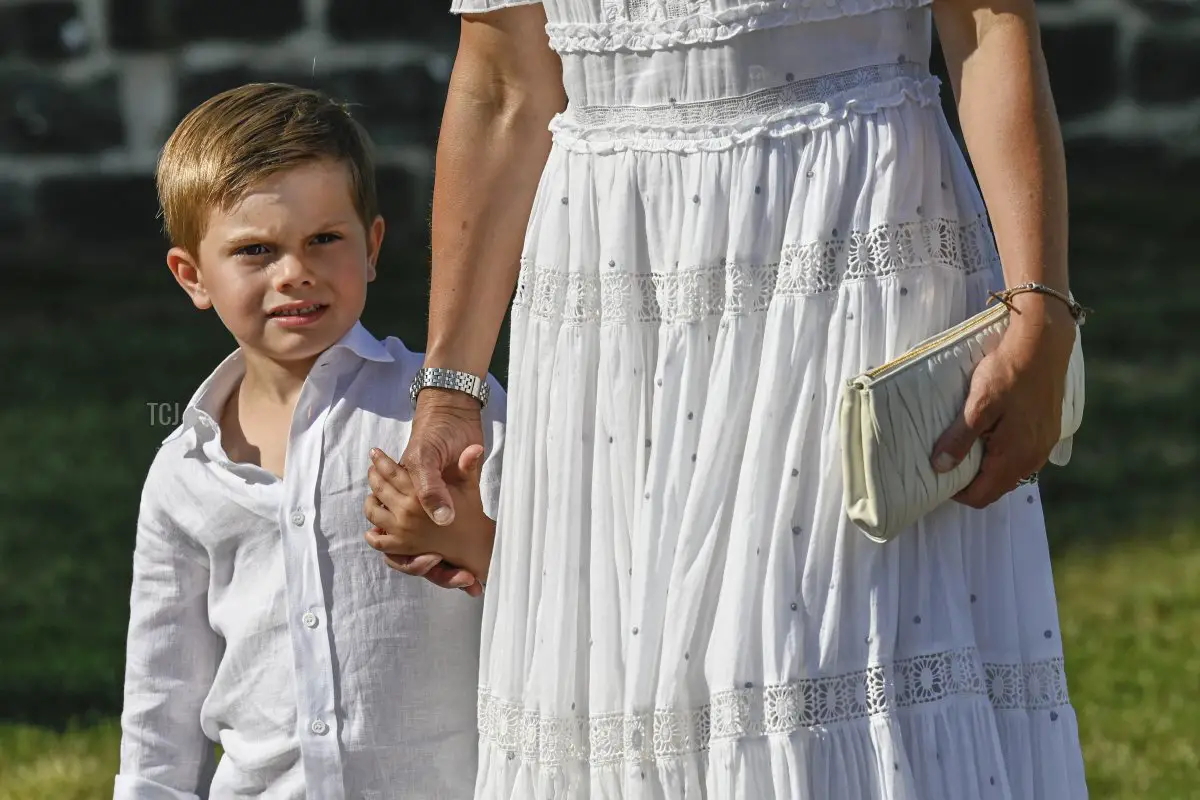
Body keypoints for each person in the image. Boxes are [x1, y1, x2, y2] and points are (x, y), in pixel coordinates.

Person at [372, 0, 1090, 797]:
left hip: (848, 245)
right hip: (615, 294)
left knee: (809, 660)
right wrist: (449, 391)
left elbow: (990, 25)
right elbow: (503, 89)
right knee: (632, 686)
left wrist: (1041, 305)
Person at [113, 82, 505, 800]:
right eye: (256, 250)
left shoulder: (446, 413)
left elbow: (569, 595)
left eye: (324, 239)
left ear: (373, 245)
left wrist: (474, 541)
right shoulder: (185, 471)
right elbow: (160, 698)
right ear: (192, 275)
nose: (295, 271)